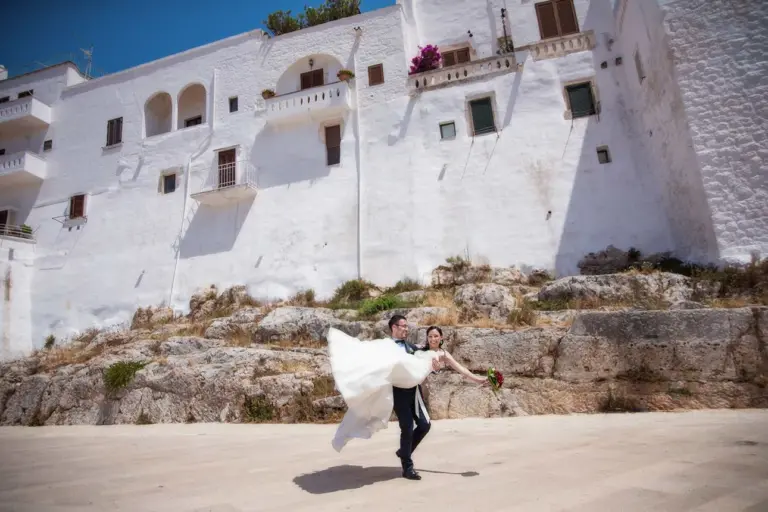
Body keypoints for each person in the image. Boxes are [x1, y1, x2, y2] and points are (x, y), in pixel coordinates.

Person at [326, 319, 441, 479]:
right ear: (394, 327)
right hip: (397, 393)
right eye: (403, 326)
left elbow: (423, 362)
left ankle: (403, 452)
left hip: (414, 393)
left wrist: (435, 368)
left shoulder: (412, 348)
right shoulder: (383, 346)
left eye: (407, 326)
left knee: (424, 425)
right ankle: (407, 467)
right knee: (406, 428)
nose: (406, 329)